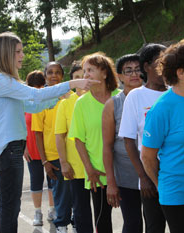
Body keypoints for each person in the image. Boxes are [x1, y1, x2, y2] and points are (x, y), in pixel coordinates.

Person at [0, 31, 98, 233]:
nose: (22, 56)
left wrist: (58, 97)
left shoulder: (4, 81)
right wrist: (71, 84)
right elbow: (35, 94)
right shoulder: (0, 80)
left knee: (7, 205)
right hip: (7, 150)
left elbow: (32, 106)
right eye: (18, 51)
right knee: (10, 206)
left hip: (9, 149)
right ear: (6, 54)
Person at [141, 39, 184, 233]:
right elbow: (147, 156)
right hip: (177, 195)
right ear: (181, 72)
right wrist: (161, 185)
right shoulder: (162, 109)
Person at [118, 43, 167, 233]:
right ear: (146, 66)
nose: (165, 65)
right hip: (150, 172)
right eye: (160, 61)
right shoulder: (136, 96)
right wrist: (143, 177)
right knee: (154, 226)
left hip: (177, 172)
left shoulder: (176, 92)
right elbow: (129, 140)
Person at [69, 52, 120, 233]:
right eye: (84, 71)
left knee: (133, 218)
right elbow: (78, 140)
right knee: (102, 222)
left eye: (91, 70)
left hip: (125, 171)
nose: (86, 75)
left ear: (105, 73)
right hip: (98, 173)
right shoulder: (81, 103)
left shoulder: (121, 97)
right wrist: (89, 169)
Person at [102, 54, 143, 233]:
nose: (134, 74)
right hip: (126, 177)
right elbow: (108, 146)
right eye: (128, 71)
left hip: (155, 173)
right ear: (119, 76)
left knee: (155, 222)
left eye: (138, 69)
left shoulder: (156, 98)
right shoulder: (113, 104)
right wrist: (111, 182)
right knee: (133, 224)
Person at [32, 61, 74, 233]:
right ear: (45, 76)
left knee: (76, 193)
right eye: (50, 72)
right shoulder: (41, 99)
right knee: (61, 194)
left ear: (63, 76)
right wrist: (44, 161)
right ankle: (61, 225)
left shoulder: (72, 96)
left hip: (74, 153)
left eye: (57, 72)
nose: (54, 75)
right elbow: (38, 133)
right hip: (54, 156)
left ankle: (76, 222)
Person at [55, 61, 93, 233]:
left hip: (97, 166)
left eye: (83, 76)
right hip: (76, 168)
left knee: (100, 209)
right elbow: (59, 136)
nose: (81, 81)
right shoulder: (65, 103)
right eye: (76, 78)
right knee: (80, 208)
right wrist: (63, 162)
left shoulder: (98, 100)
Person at [23, 71, 55, 226]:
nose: (37, 90)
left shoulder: (48, 101)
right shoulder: (24, 103)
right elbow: (19, 125)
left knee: (52, 181)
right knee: (36, 181)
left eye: (40, 87)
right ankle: (37, 213)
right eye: (34, 88)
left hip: (48, 149)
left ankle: (52, 209)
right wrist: (23, 148)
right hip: (32, 150)